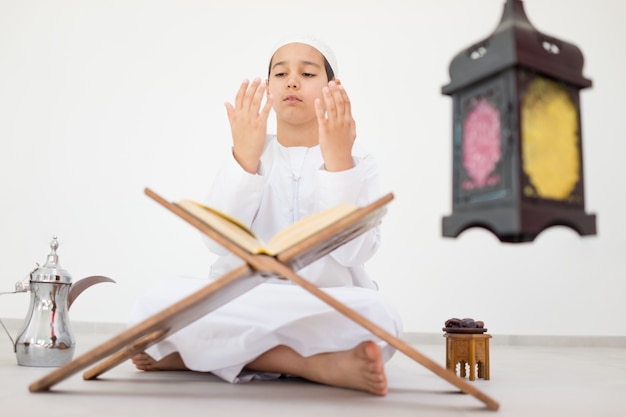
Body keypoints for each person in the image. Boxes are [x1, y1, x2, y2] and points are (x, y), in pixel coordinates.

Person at [129, 35, 403, 396]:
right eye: (280, 73)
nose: (292, 81)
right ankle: (313, 363)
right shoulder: (251, 151)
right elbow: (216, 242)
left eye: (307, 73)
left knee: (379, 314)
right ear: (269, 89)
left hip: (322, 303)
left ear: (333, 88)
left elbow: (354, 254)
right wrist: (245, 158)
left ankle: (200, 355)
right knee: (155, 301)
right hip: (244, 299)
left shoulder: (357, 158)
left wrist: (339, 165)